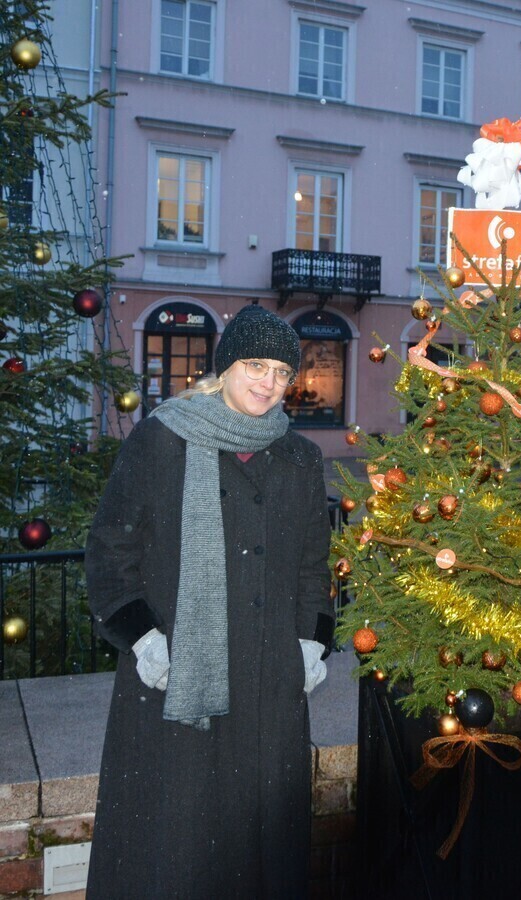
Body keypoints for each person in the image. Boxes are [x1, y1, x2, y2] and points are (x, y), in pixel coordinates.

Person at [84, 305, 335, 898]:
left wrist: (310, 643)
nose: (267, 382)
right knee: (178, 846)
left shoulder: (300, 459)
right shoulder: (162, 440)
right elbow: (110, 548)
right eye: (255, 365)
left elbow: (312, 566)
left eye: (280, 371)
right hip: (176, 677)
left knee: (260, 849)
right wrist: (142, 637)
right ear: (225, 367)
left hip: (270, 687)